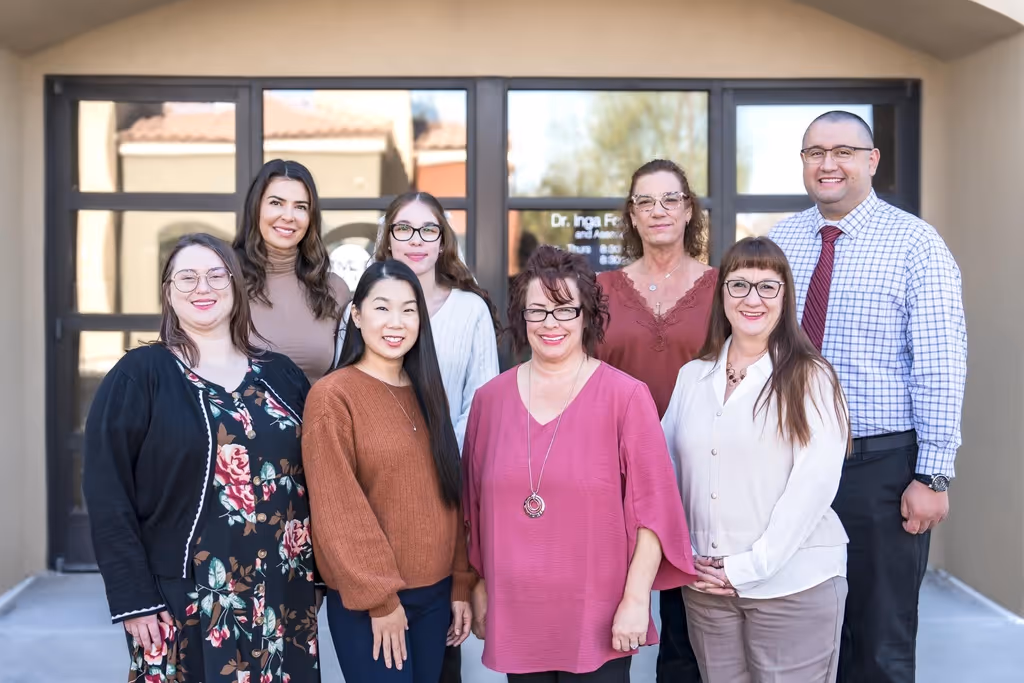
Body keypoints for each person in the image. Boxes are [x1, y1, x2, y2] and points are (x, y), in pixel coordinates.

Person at [769, 110, 967, 683]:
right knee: (794, 635)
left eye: (844, 152)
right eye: (815, 152)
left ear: (872, 160)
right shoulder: (781, 240)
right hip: (787, 465)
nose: (827, 164)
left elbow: (941, 362)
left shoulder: (915, 245)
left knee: (879, 643)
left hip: (877, 469)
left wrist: (932, 476)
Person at [83, 233, 320, 683]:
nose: (202, 287)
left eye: (216, 275)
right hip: (183, 600)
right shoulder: (139, 375)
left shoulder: (282, 376)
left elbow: (319, 479)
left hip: (282, 594)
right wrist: (134, 598)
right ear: (168, 292)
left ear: (235, 285)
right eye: (187, 278)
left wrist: (321, 575)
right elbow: (106, 492)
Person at [463, 245, 696, 682]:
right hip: (517, 614)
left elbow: (653, 514)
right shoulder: (489, 402)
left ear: (587, 315)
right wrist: (477, 584)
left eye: (565, 310)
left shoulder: (626, 397)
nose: (550, 323)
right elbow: (474, 509)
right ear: (521, 318)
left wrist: (635, 600)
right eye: (537, 311)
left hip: (598, 616)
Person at [663, 236, 851, 682]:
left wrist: (748, 567)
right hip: (707, 586)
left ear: (785, 297)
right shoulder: (692, 377)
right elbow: (663, 471)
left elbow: (813, 486)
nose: (753, 299)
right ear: (722, 295)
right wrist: (685, 555)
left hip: (793, 584)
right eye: (739, 285)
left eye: (767, 286)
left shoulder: (811, 377)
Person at [302, 259, 473, 683]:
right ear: (357, 316)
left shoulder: (428, 392)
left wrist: (460, 583)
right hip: (372, 602)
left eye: (408, 310)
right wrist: (381, 600)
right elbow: (338, 510)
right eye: (382, 308)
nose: (396, 322)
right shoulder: (332, 397)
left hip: (436, 597)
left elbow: (449, 494)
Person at [595, 159, 715, 683]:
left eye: (671, 199)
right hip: (615, 476)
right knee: (606, 620)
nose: (658, 210)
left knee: (689, 634)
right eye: (645, 201)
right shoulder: (599, 289)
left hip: (699, 475)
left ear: (689, 211)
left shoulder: (723, 289)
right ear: (632, 214)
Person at [374, 191, 500, 451]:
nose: (416, 240)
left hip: (453, 464)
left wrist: (447, 458)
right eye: (403, 229)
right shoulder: (361, 311)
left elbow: (483, 402)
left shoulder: (471, 310)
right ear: (388, 240)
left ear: (442, 242)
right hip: (375, 465)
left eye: (428, 230)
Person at [234, 158, 351, 383]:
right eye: (276, 203)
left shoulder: (334, 289)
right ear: (255, 208)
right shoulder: (226, 283)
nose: (288, 216)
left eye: (300, 207)